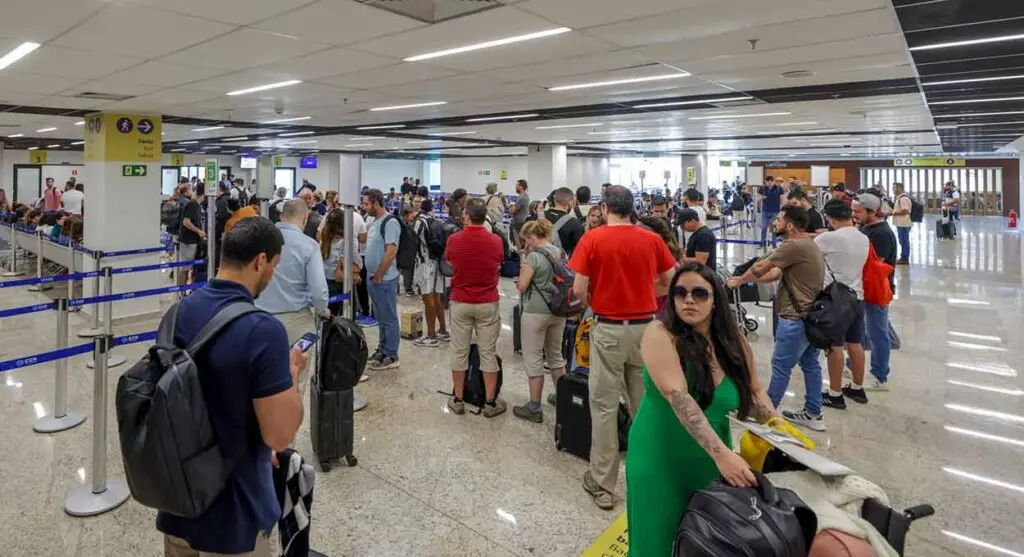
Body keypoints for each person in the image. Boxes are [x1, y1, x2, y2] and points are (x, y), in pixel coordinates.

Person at [158, 217, 306, 557]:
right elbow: (280, 435)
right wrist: (293, 372)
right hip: (234, 515)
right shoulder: (263, 331)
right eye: (274, 266)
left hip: (177, 503)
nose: (272, 275)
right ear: (260, 261)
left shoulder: (177, 313)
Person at [627, 263, 781, 557]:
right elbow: (678, 396)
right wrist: (722, 455)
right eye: (680, 293)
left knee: (706, 543)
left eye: (699, 293)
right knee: (654, 546)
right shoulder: (660, 333)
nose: (688, 300)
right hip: (661, 456)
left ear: (715, 300)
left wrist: (779, 429)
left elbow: (754, 392)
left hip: (710, 460)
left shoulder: (735, 343)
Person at [569, 185, 677, 510]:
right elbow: (672, 280)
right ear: (633, 208)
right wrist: (645, 291)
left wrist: (599, 301)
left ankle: (603, 485)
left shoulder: (593, 239)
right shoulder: (652, 240)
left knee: (603, 407)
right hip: (646, 329)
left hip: (609, 329)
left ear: (604, 208)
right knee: (645, 406)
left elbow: (579, 289)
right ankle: (652, 476)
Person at [728, 206, 826, 431]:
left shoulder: (793, 245)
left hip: (794, 318)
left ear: (790, 225)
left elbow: (761, 267)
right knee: (810, 364)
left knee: (781, 366)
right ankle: (813, 412)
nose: (775, 223)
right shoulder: (807, 244)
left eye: (779, 220)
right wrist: (750, 280)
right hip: (809, 316)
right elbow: (774, 273)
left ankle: (765, 412)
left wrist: (740, 280)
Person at [255, 199, 330, 398]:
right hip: (297, 323)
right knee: (296, 379)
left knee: (260, 379)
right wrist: (322, 310)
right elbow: (319, 290)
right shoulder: (309, 245)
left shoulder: (260, 241)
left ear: (281, 216)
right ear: (305, 218)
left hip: (257, 319)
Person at [445, 197, 506, 417]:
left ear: (467, 217)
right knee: (488, 352)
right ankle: (490, 403)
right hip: (487, 301)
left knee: (459, 350)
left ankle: (458, 399)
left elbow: (450, 263)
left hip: (461, 300)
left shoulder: (454, 240)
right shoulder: (496, 241)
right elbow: (498, 263)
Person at [511, 218, 567, 423]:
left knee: (534, 358)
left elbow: (522, 286)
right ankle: (563, 397)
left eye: (526, 240)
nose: (526, 244)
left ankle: (534, 407)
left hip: (536, 312)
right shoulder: (560, 252)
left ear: (533, 237)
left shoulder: (534, 256)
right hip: (558, 310)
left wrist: (519, 279)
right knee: (555, 355)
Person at [816, 200, 869, 410]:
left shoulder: (828, 238)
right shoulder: (863, 237)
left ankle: (835, 394)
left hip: (835, 299)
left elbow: (805, 249)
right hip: (857, 296)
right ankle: (857, 387)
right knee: (855, 344)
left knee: (834, 346)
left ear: (830, 218)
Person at [853, 193, 896, 391]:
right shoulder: (866, 228)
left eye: (858, 211)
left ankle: (880, 375)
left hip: (877, 289)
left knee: (878, 333)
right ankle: (853, 364)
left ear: (872, 212)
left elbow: (875, 264)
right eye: (853, 211)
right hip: (864, 287)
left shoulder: (881, 233)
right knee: (864, 328)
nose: (854, 215)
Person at [362, 188, 402, 371]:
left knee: (389, 317)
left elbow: (391, 252)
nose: (364, 207)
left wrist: (379, 275)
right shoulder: (374, 221)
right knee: (380, 317)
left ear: (376, 203)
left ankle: (392, 355)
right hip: (373, 278)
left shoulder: (390, 222)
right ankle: (383, 349)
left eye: (366, 204)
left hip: (384, 279)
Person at [411, 200, 449, 347]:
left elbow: (413, 243)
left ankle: (431, 335)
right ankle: (443, 331)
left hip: (425, 264)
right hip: (436, 263)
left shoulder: (419, 222)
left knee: (428, 300)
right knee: (437, 298)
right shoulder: (433, 220)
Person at [320, 208, 360, 318]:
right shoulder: (346, 240)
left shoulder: (324, 237)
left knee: (329, 315)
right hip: (342, 281)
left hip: (327, 279)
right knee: (346, 314)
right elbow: (357, 261)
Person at [177, 185, 206, 286]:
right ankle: (181, 292)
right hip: (188, 241)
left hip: (193, 240)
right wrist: (199, 231)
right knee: (185, 268)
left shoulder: (196, 205)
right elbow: (186, 222)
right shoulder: (192, 204)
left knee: (191, 268)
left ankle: (187, 290)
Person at [544, 187, 585, 257]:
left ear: (555, 200)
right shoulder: (574, 223)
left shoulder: (538, 216)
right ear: (570, 202)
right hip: (561, 262)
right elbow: (578, 250)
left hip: (536, 261)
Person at [758, 176, 784, 246]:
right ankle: (762, 242)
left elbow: (782, 199)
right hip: (765, 211)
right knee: (764, 227)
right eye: (768, 182)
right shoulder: (762, 188)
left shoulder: (779, 189)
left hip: (775, 211)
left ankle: (774, 243)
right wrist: (761, 197)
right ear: (765, 182)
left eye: (771, 182)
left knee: (774, 228)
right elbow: (758, 198)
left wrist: (782, 210)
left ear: (773, 182)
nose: (769, 183)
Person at [891, 182, 912, 264]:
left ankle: (904, 258)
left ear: (899, 188)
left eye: (894, 188)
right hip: (901, 223)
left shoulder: (903, 198)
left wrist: (893, 212)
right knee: (902, 241)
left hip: (903, 223)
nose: (893, 190)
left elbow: (905, 211)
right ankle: (904, 257)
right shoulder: (900, 198)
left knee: (904, 241)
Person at [509, 179, 531, 248]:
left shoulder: (521, 198)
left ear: (521, 187)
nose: (515, 187)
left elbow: (512, 211)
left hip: (519, 224)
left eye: (516, 185)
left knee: (519, 245)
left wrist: (510, 208)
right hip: (521, 223)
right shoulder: (525, 196)